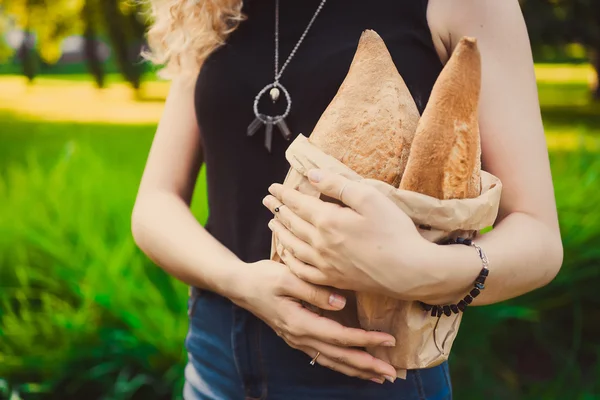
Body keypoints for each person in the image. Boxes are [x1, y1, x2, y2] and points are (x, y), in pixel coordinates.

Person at [132, 0, 563, 398]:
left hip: (373, 373)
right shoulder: (215, 5)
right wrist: (240, 283)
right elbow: (155, 202)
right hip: (216, 362)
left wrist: (420, 269)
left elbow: (538, 236)